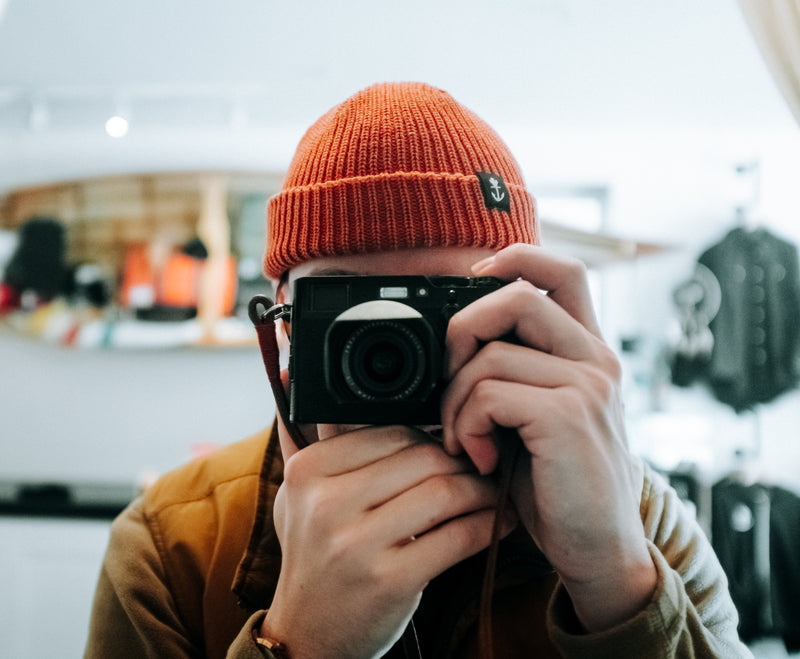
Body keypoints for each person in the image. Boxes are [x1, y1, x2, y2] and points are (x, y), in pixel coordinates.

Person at [85, 81, 750, 658]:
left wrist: (617, 581)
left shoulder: (632, 514)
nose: (396, 355)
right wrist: (300, 645)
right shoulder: (172, 544)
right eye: (350, 309)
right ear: (283, 326)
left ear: (527, 315)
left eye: (448, 310)